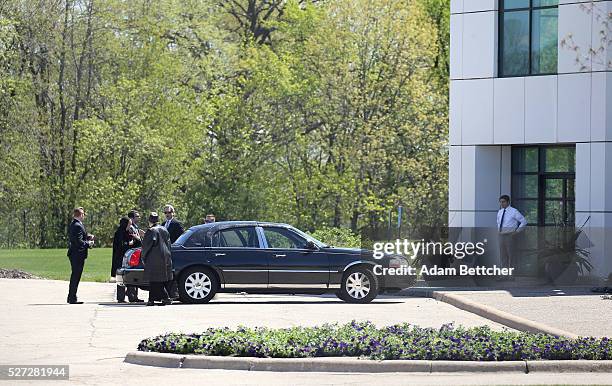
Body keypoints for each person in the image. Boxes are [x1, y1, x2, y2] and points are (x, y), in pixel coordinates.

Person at [141, 212, 173, 306]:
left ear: (149, 220)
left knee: (155, 281)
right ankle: (152, 300)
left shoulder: (151, 231)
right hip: (165, 257)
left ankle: (165, 298)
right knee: (156, 281)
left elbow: (146, 246)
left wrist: (143, 257)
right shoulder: (164, 229)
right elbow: (169, 245)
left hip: (154, 259)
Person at [111, 216, 143, 303]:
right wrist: (130, 243)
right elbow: (121, 246)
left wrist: (136, 239)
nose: (130, 226)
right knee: (122, 278)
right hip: (121, 259)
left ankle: (132, 297)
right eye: (129, 224)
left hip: (129, 258)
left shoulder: (127, 232)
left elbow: (136, 244)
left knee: (131, 276)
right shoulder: (120, 232)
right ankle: (121, 298)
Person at [67, 207, 94, 304]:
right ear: (80, 215)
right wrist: (89, 243)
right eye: (83, 214)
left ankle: (71, 297)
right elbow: (78, 242)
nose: (84, 216)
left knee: (75, 276)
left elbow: (79, 237)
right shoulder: (77, 225)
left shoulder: (76, 224)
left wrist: (87, 237)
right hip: (77, 254)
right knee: (76, 276)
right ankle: (72, 298)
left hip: (76, 254)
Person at [496, 195, 527, 280]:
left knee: (511, 256)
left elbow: (524, 221)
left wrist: (516, 232)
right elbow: (499, 223)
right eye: (500, 202)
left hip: (510, 235)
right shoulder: (500, 212)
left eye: (503, 202)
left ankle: (511, 275)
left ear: (508, 202)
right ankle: (504, 275)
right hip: (501, 235)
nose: (502, 203)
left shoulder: (514, 211)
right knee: (503, 256)